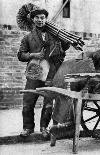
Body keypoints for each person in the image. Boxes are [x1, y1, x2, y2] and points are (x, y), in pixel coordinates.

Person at [17, 7, 70, 137]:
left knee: (48, 103)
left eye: (42, 18)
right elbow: (21, 55)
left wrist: (64, 37)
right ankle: (27, 128)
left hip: (51, 73)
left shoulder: (55, 35)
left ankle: (44, 127)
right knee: (28, 101)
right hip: (35, 73)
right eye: (37, 18)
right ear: (33, 19)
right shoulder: (28, 38)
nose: (40, 20)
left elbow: (66, 46)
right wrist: (33, 55)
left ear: (46, 19)